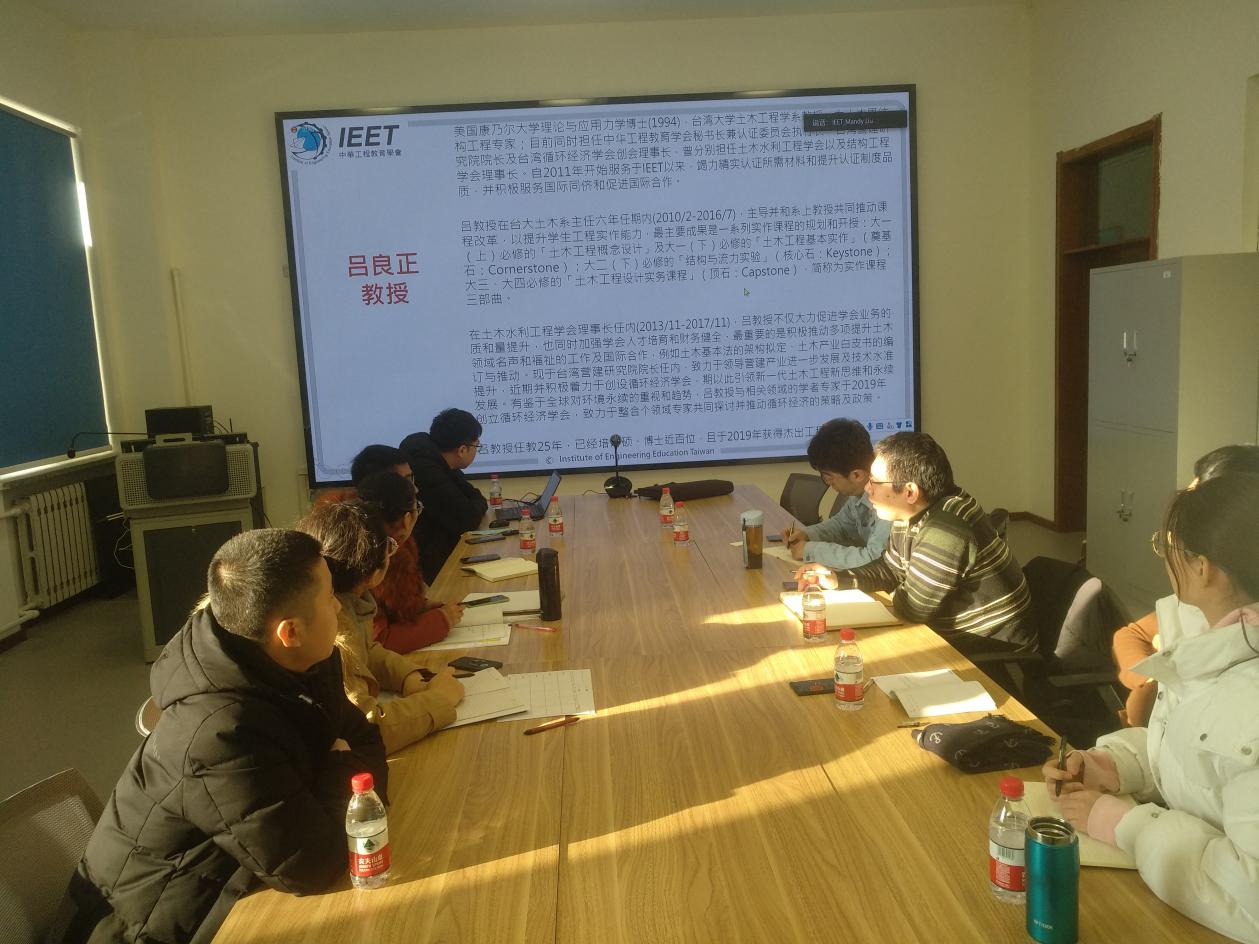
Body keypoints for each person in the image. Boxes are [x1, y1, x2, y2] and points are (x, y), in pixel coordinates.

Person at [56, 530, 387, 944]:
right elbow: (315, 865)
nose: (339, 606)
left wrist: (342, 773)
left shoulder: (305, 663)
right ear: (289, 633)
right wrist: (342, 766)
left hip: (236, 885)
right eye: (328, 598)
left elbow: (367, 741)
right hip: (155, 927)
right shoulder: (219, 733)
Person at [1043, 474, 1259, 942]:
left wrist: (1124, 825)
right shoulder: (1213, 634)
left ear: (1203, 568)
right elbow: (1199, 751)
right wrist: (1112, 766)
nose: (1163, 559)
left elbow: (1250, 898)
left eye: (1168, 547)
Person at [797, 431, 1034, 657]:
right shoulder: (911, 511)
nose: (867, 489)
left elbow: (913, 608)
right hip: (948, 634)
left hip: (985, 648)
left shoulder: (947, 528)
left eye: (875, 482)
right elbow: (890, 569)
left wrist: (891, 591)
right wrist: (838, 578)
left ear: (910, 492)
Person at [295, 499, 464, 753]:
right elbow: (366, 728)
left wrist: (407, 676)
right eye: (389, 547)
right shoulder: (334, 632)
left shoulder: (350, 603)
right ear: (375, 573)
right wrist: (438, 700)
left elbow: (367, 652)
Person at [1112, 443, 1259, 726]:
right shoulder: (1194, 605)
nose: (1168, 555)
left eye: (1177, 543)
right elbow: (1131, 635)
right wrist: (1152, 680)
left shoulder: (1241, 679)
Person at [356, 470, 465, 654]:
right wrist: (442, 620)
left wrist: (419, 607)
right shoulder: (374, 561)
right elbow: (380, 642)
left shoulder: (364, 544)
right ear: (407, 520)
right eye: (417, 508)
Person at [781, 418, 892, 568]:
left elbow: (875, 559)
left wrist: (812, 550)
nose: (828, 483)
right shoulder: (859, 491)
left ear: (856, 475)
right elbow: (842, 526)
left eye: (829, 477)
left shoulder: (889, 501)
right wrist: (807, 534)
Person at [399, 408, 489, 582]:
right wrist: (475, 505)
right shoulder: (427, 472)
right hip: (428, 563)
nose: (476, 451)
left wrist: (474, 503)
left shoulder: (438, 460)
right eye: (476, 446)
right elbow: (467, 519)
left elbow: (474, 495)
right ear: (462, 450)